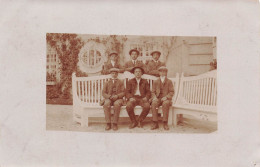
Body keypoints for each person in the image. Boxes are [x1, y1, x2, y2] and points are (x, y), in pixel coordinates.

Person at [150, 66, 174, 130]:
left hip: (166, 98)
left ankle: (165, 122)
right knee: (154, 103)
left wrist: (166, 97)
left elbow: (171, 92)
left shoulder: (169, 81)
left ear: (166, 73)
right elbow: (153, 92)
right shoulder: (156, 81)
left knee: (165, 104)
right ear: (159, 73)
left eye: (164, 72)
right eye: (161, 71)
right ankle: (155, 122)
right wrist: (154, 97)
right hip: (158, 98)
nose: (162, 73)